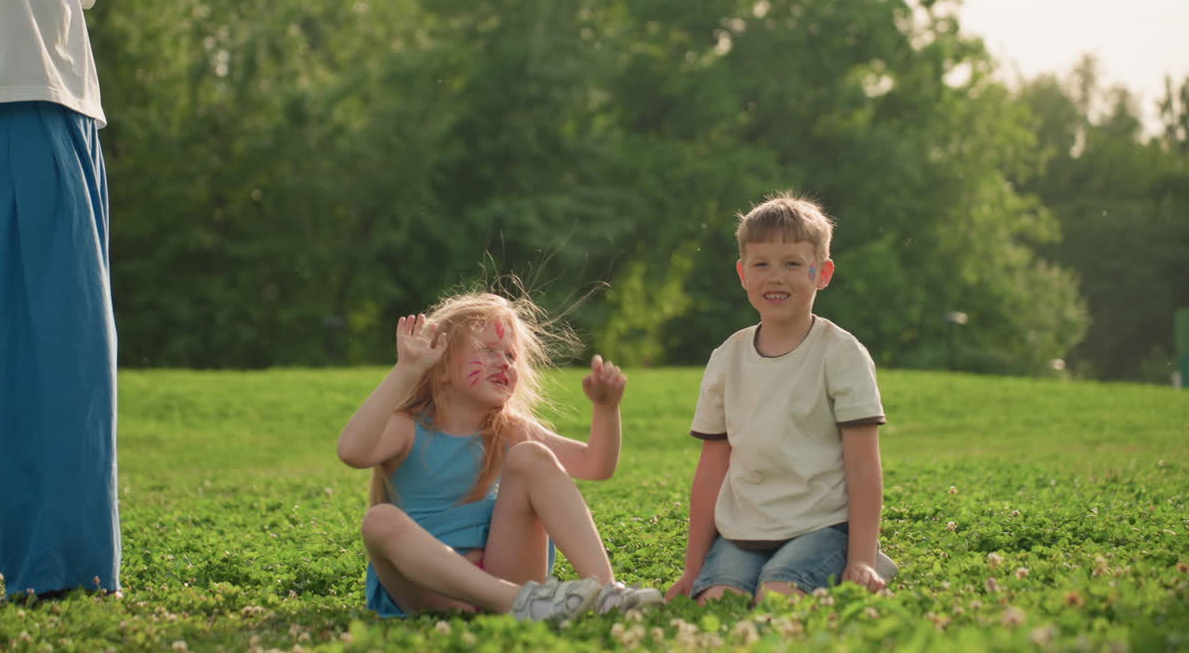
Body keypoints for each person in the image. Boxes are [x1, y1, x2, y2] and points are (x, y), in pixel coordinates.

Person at [0, 0, 202, 603]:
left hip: (72, 133)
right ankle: (62, 576)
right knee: (57, 359)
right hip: (14, 128)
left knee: (60, 362)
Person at [338, 291, 662, 622]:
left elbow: (596, 466)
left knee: (532, 456)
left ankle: (605, 591)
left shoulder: (509, 430)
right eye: (488, 351)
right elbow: (351, 452)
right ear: (442, 366)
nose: (504, 362)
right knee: (379, 521)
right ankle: (522, 602)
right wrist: (407, 369)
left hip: (507, 572)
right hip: (432, 590)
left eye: (510, 355)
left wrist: (606, 408)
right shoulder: (408, 428)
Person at [665, 192, 898, 606]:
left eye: (792, 263)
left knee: (777, 597)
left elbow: (863, 466)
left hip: (822, 526)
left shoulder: (841, 354)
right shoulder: (726, 358)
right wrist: (693, 567)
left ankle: (864, 562)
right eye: (761, 264)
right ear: (742, 273)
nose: (776, 276)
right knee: (717, 602)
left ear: (822, 273)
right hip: (744, 530)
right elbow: (711, 469)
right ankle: (742, 575)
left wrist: (859, 559)